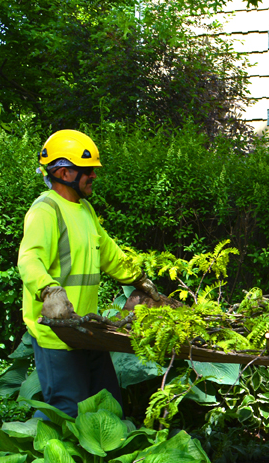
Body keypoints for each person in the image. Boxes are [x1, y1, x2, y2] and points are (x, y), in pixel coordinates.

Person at [18, 129, 162, 417]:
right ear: (64, 172)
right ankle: (43, 457)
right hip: (55, 331)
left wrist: (139, 280)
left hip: (86, 329)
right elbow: (29, 258)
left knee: (107, 407)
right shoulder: (46, 210)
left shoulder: (85, 210)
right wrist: (49, 290)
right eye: (88, 171)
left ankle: (102, 460)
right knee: (67, 410)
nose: (94, 176)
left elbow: (109, 253)